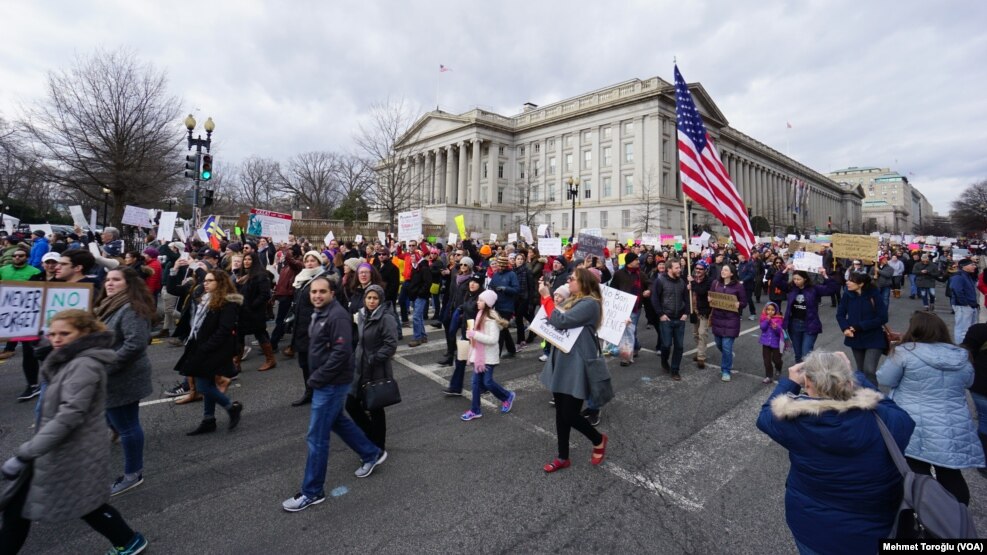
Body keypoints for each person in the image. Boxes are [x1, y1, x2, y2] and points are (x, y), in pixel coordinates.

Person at [0, 309, 148, 554]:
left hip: (72, 450)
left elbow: (69, 416)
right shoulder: (69, 358)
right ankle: (129, 540)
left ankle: (130, 541)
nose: (56, 339)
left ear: (84, 334)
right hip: (58, 447)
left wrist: (26, 452)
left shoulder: (84, 365)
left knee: (82, 505)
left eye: (64, 334)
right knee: (25, 506)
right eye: (53, 333)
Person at [756, 350, 915, 555]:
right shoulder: (884, 419)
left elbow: (765, 416)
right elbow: (900, 415)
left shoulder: (796, 423)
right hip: (874, 530)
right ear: (848, 382)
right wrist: (856, 376)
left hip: (812, 529)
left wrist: (790, 382)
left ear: (809, 384)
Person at [281, 276, 387, 513]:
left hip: (330, 383)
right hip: (326, 381)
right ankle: (371, 453)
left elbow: (341, 353)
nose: (317, 295)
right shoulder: (321, 311)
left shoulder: (337, 315)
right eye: (313, 292)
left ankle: (312, 492)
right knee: (338, 421)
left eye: (322, 292)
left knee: (316, 438)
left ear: (332, 293)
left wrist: (317, 378)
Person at [877, 312, 985, 515]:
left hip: (914, 420)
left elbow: (885, 378)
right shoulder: (961, 355)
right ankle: (957, 519)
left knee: (916, 471)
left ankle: (924, 518)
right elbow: (968, 382)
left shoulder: (905, 352)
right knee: (951, 473)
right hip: (953, 421)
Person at [537, 268, 608, 472]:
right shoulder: (574, 300)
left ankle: (598, 440)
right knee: (561, 412)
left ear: (584, 283)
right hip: (563, 358)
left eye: (573, 279)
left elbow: (560, 321)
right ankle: (562, 456)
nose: (569, 281)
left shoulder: (590, 304)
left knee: (569, 413)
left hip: (577, 362)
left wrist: (546, 297)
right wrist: (547, 297)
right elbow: (553, 317)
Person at [94, 267, 154, 497]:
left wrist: (106, 365)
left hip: (123, 377)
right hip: (109, 375)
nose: (109, 283)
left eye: (116, 280)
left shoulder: (130, 308)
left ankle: (133, 474)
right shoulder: (110, 305)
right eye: (107, 279)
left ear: (128, 284)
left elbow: (135, 344)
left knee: (128, 426)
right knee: (116, 420)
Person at [175, 269, 244, 435]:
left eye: (210, 280)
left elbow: (224, 329)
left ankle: (231, 407)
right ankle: (208, 419)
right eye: (205, 280)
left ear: (219, 283)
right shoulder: (206, 299)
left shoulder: (228, 302)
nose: (205, 283)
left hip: (214, 350)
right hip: (201, 346)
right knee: (207, 384)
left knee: (203, 386)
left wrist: (206, 347)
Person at [345, 285, 397, 450]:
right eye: (369, 298)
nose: (372, 301)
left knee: (375, 407)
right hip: (359, 366)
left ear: (380, 300)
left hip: (376, 368)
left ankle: (379, 445)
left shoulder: (386, 318)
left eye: (375, 298)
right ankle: (371, 435)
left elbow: (391, 345)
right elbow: (360, 340)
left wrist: (374, 358)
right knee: (351, 404)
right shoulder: (361, 314)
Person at [459, 289, 517, 421]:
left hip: (488, 357)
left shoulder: (491, 318)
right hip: (479, 355)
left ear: (487, 303)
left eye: (480, 300)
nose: (477, 302)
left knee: (488, 382)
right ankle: (475, 410)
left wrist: (475, 334)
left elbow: (493, 339)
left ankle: (507, 396)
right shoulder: (479, 314)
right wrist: (471, 333)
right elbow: (477, 334)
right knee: (475, 383)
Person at [773, 265, 839, 363]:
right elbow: (776, 282)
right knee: (798, 354)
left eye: (798, 279)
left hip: (810, 325)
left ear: (805, 279)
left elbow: (832, 289)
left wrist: (825, 275)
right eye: (794, 279)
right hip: (794, 325)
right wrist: (785, 269)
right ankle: (799, 376)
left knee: (806, 354)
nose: (796, 281)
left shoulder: (814, 289)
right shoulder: (791, 288)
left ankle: (807, 376)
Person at [289, 252, 329, 406]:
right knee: (305, 364)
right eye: (307, 260)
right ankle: (309, 391)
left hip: (315, 329)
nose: (309, 263)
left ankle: (321, 392)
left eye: (313, 260)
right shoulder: (302, 278)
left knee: (317, 364)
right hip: (301, 328)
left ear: (319, 262)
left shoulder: (321, 280)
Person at [836, 273, 888, 384]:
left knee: (869, 370)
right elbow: (840, 314)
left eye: (851, 281)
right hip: (855, 338)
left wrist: (860, 326)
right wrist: (845, 328)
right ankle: (863, 395)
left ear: (861, 284)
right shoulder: (847, 295)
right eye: (848, 280)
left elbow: (883, 318)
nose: (847, 282)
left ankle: (874, 396)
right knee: (861, 371)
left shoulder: (874, 295)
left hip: (874, 337)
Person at [236, 251, 276, 372]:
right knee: (239, 336)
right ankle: (236, 363)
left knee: (260, 334)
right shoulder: (242, 275)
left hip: (255, 312)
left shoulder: (261, 275)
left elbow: (264, 295)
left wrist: (252, 306)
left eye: (249, 260)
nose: (246, 262)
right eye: (245, 260)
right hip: (242, 312)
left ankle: (270, 360)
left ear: (255, 261)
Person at [651, 259, 689, 380]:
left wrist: (686, 313)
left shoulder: (682, 282)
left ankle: (675, 370)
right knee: (666, 345)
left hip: (680, 318)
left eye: (679, 267)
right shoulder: (660, 281)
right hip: (666, 318)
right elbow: (655, 298)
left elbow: (686, 298)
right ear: (669, 269)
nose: (680, 270)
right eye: (677, 268)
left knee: (679, 346)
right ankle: (664, 360)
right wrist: (660, 314)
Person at [709, 264, 746, 382]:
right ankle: (729, 355)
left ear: (732, 273)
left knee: (726, 346)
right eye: (722, 269)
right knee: (719, 343)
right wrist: (709, 299)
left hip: (731, 320)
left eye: (726, 270)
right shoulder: (715, 283)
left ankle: (726, 370)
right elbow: (711, 295)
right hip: (717, 318)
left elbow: (744, 302)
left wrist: (739, 304)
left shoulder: (738, 286)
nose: (723, 271)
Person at [960, 323, 987, 478]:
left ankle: (983, 460)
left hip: (981, 383)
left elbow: (966, 354)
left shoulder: (978, 330)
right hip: (981, 384)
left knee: (984, 420)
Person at [488, 254, 519, 358]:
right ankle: (511, 349)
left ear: (506, 266)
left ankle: (496, 354)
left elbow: (516, 289)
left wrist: (505, 289)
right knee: (503, 328)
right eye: (499, 265)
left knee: (500, 329)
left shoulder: (512, 275)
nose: (500, 268)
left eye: (502, 266)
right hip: (497, 305)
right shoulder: (496, 274)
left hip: (507, 306)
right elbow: (491, 285)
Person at [949, 258, 979, 344]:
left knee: (969, 328)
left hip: (970, 305)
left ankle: (966, 346)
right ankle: (960, 346)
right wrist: (965, 303)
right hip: (963, 306)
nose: (974, 266)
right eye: (972, 265)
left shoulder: (967, 276)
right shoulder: (958, 276)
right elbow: (956, 290)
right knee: (962, 329)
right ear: (964, 267)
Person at [406, 251, 432, 347]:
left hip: (421, 296)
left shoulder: (424, 268)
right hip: (416, 295)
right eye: (411, 256)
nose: (411, 258)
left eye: (413, 256)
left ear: (417, 257)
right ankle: (423, 336)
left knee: (416, 317)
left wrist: (420, 293)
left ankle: (417, 338)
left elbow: (428, 283)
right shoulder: (415, 268)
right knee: (419, 317)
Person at [759, 302, 784, 384]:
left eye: (772, 310)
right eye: (768, 309)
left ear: (776, 311)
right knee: (767, 360)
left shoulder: (779, 319)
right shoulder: (763, 318)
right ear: (765, 310)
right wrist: (767, 320)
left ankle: (778, 366)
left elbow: (779, 331)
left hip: (775, 343)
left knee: (776, 359)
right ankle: (769, 376)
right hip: (766, 343)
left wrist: (776, 328)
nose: (770, 311)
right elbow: (763, 328)